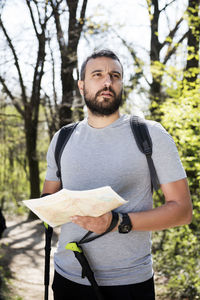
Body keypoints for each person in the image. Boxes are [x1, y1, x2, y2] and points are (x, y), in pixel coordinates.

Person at [42, 49, 192, 300]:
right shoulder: (62, 138)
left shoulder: (150, 134)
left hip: (130, 283)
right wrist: (51, 207)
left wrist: (116, 222)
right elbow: (48, 197)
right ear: (81, 85)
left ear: (121, 84)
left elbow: (182, 211)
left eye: (115, 75)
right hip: (67, 277)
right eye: (97, 74)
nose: (107, 82)